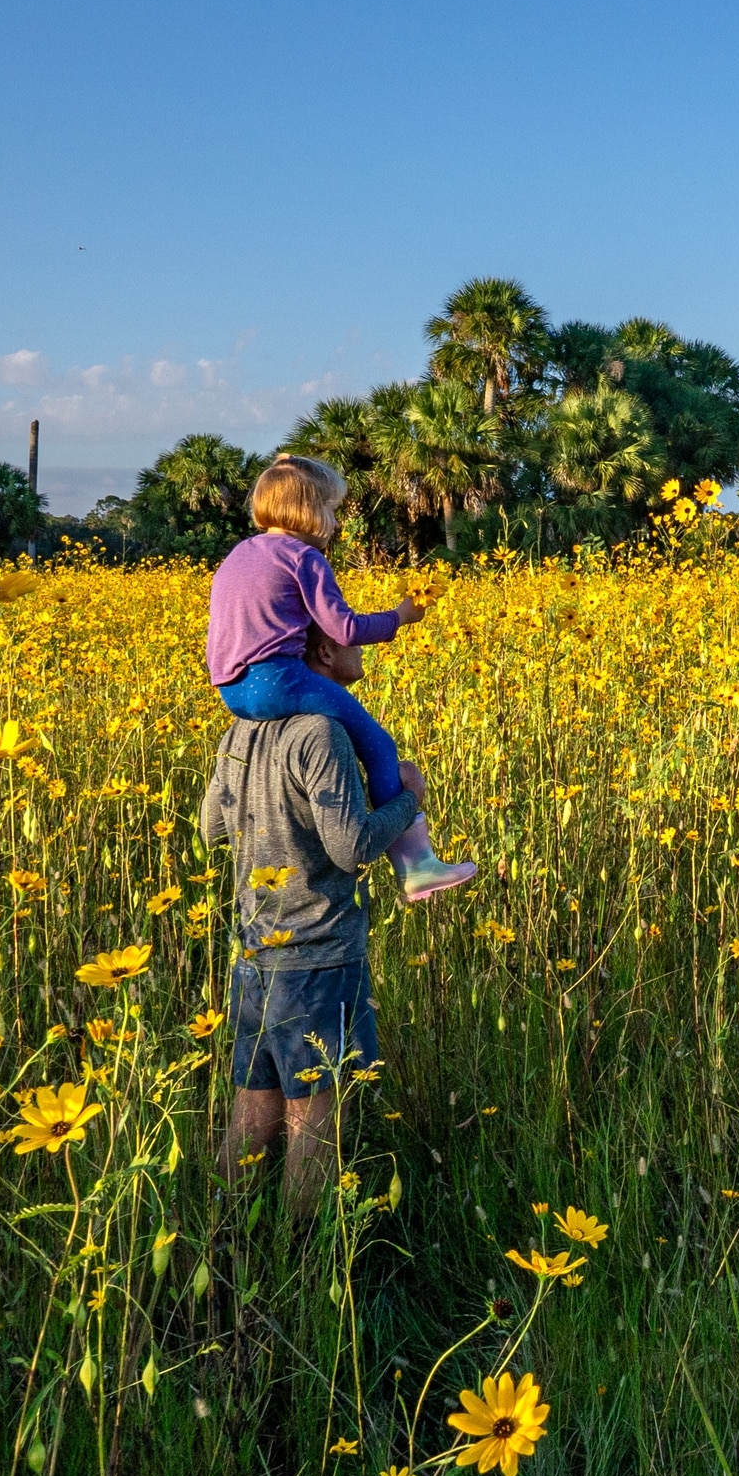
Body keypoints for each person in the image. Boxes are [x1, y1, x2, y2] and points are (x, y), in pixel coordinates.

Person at [201, 624, 423, 1215]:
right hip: (318, 953)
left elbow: (210, 830)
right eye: (352, 635)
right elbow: (351, 847)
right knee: (314, 1125)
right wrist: (407, 801)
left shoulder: (240, 730)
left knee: (253, 1111)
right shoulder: (322, 732)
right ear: (322, 649)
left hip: (255, 954)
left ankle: (225, 1251)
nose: (362, 646)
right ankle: (302, 1271)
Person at [206, 455, 473, 899]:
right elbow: (343, 628)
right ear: (308, 509)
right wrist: (400, 617)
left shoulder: (239, 554)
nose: (334, 521)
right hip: (277, 679)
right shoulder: (303, 557)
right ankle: (417, 864)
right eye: (331, 508)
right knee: (378, 744)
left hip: (232, 690)